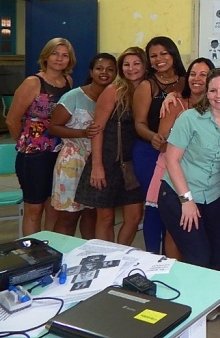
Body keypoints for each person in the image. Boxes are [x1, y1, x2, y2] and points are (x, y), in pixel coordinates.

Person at [159, 68, 220, 270]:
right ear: (207, 93)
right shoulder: (189, 118)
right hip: (180, 193)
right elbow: (172, 160)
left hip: (216, 194)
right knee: (199, 257)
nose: (219, 95)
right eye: (213, 90)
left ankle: (211, 291)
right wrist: (187, 201)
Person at [75, 47, 148, 245]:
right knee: (106, 217)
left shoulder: (149, 89)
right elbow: (96, 129)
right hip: (107, 161)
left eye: (136, 64)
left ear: (145, 66)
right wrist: (97, 166)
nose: (131, 68)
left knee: (134, 217)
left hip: (133, 163)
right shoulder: (113, 91)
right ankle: (105, 256)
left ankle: (120, 253)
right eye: (126, 64)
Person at [146, 57, 215, 259]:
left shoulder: (217, 105)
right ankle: (174, 268)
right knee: (175, 227)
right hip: (173, 171)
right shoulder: (175, 103)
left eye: (203, 75)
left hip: (203, 175)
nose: (197, 78)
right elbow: (162, 144)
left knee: (196, 225)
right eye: (193, 74)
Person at [6, 38, 75, 235]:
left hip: (60, 152)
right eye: (55, 54)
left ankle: (48, 245)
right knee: (34, 208)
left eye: (64, 55)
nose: (59, 59)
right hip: (34, 155)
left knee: (54, 206)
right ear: (46, 56)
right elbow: (12, 120)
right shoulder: (33, 82)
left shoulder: (68, 81)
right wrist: (25, 143)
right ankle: (32, 249)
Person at [49, 52, 117, 237]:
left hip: (97, 163)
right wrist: (82, 133)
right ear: (91, 72)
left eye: (110, 69)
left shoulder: (115, 97)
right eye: (99, 68)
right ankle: (60, 251)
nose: (104, 73)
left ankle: (87, 251)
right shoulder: (74, 96)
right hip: (73, 162)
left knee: (91, 215)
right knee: (69, 216)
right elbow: (54, 127)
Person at [133, 36, 186, 253]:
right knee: (155, 206)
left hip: (179, 154)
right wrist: (152, 136)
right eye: (153, 56)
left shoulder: (186, 80)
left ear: (173, 54)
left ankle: (172, 255)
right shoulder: (147, 85)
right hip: (149, 151)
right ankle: (153, 255)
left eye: (164, 53)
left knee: (174, 206)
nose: (159, 59)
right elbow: (139, 123)